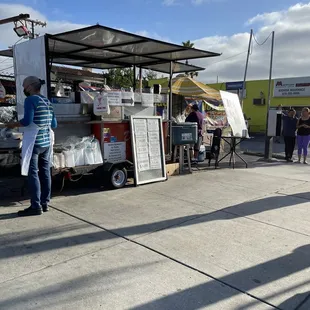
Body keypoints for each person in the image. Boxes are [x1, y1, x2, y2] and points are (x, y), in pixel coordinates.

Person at [5, 76, 57, 216]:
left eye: (23, 86)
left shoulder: (30, 100)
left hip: (35, 142)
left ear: (29, 87)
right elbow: (54, 124)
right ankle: (45, 203)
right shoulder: (47, 101)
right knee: (45, 172)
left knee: (33, 173)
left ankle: (35, 206)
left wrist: (12, 125)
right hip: (47, 143)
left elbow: (27, 121)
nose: (23, 89)